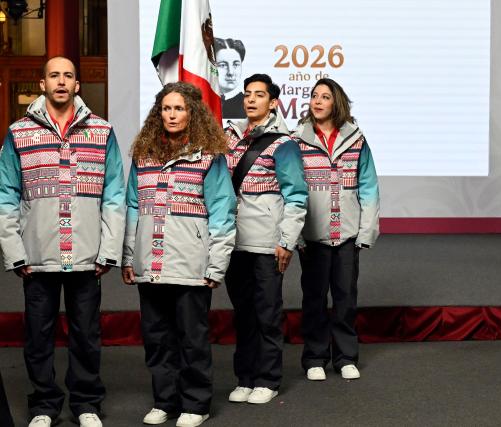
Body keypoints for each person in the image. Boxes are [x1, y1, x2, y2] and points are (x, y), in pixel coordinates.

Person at [0, 56, 126, 427]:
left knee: (87, 334)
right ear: (42, 84)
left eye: (68, 75)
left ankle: (86, 404)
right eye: (53, 75)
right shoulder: (19, 132)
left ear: (77, 86)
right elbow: (6, 195)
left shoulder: (102, 132)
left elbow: (115, 195)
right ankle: (43, 405)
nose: (60, 81)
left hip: (88, 256)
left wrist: (109, 249)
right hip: (37, 256)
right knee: (37, 337)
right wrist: (15, 252)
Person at [122, 82, 236, 427]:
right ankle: (165, 401)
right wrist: (129, 257)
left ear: (193, 113)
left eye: (179, 108)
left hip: (191, 264)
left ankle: (196, 404)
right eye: (166, 109)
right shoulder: (143, 156)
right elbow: (131, 207)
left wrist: (217, 265)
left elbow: (222, 212)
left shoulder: (209, 157)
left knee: (192, 338)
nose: (172, 115)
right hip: (150, 264)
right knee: (157, 338)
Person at [224, 74, 308, 404]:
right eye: (247, 94)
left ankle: (269, 379)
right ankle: (245, 376)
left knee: (267, 313)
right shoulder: (230, 138)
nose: (251, 100)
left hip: (266, 243)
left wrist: (286, 241)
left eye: (259, 95)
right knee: (242, 313)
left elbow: (297, 196)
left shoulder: (283, 143)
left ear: (272, 102)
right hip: (232, 242)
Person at [292, 78, 379, 381]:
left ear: (336, 103)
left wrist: (365, 232)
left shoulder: (356, 139)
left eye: (324, 96)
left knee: (345, 298)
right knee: (314, 298)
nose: (317, 101)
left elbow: (369, 188)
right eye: (314, 95)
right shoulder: (297, 140)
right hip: (312, 236)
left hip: (346, 235)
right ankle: (315, 357)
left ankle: (345, 357)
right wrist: (296, 235)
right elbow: (291, 189)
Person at [214, 38, 246, 119]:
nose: (231, 72)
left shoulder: (248, 105)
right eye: (223, 65)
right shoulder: (200, 103)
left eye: (236, 64)